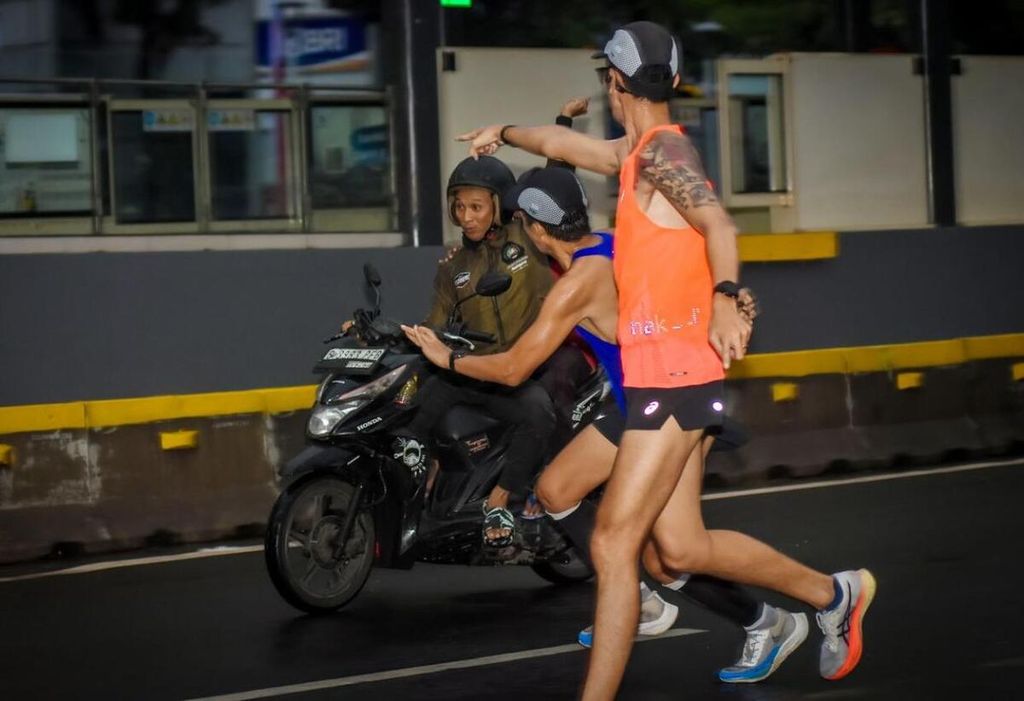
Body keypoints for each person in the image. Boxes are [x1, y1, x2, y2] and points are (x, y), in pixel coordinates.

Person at [458, 21, 875, 698]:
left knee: (613, 543)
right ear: (671, 82)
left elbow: (718, 223)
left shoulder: (663, 156)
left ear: (614, 82)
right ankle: (834, 595)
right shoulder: (639, 152)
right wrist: (502, 131)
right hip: (669, 377)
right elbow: (566, 143)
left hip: (675, 379)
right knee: (679, 548)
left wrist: (725, 293)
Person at [404, 165, 807, 683]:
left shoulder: (577, 282)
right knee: (556, 490)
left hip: (664, 404)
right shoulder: (608, 245)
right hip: (636, 403)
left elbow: (513, 369)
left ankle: (771, 617)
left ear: (537, 229)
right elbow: (677, 273)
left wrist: (446, 360)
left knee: (670, 553)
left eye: (519, 221)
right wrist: (726, 298)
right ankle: (650, 601)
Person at [405, 154, 567, 547]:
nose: (466, 217)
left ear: (499, 206)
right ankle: (422, 495)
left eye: (476, 206)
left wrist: (563, 126)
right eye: (459, 207)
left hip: (520, 369)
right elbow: (436, 323)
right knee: (413, 414)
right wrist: (386, 334)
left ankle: (501, 498)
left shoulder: (528, 237)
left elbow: (553, 188)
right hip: (472, 370)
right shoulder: (453, 266)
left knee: (537, 413)